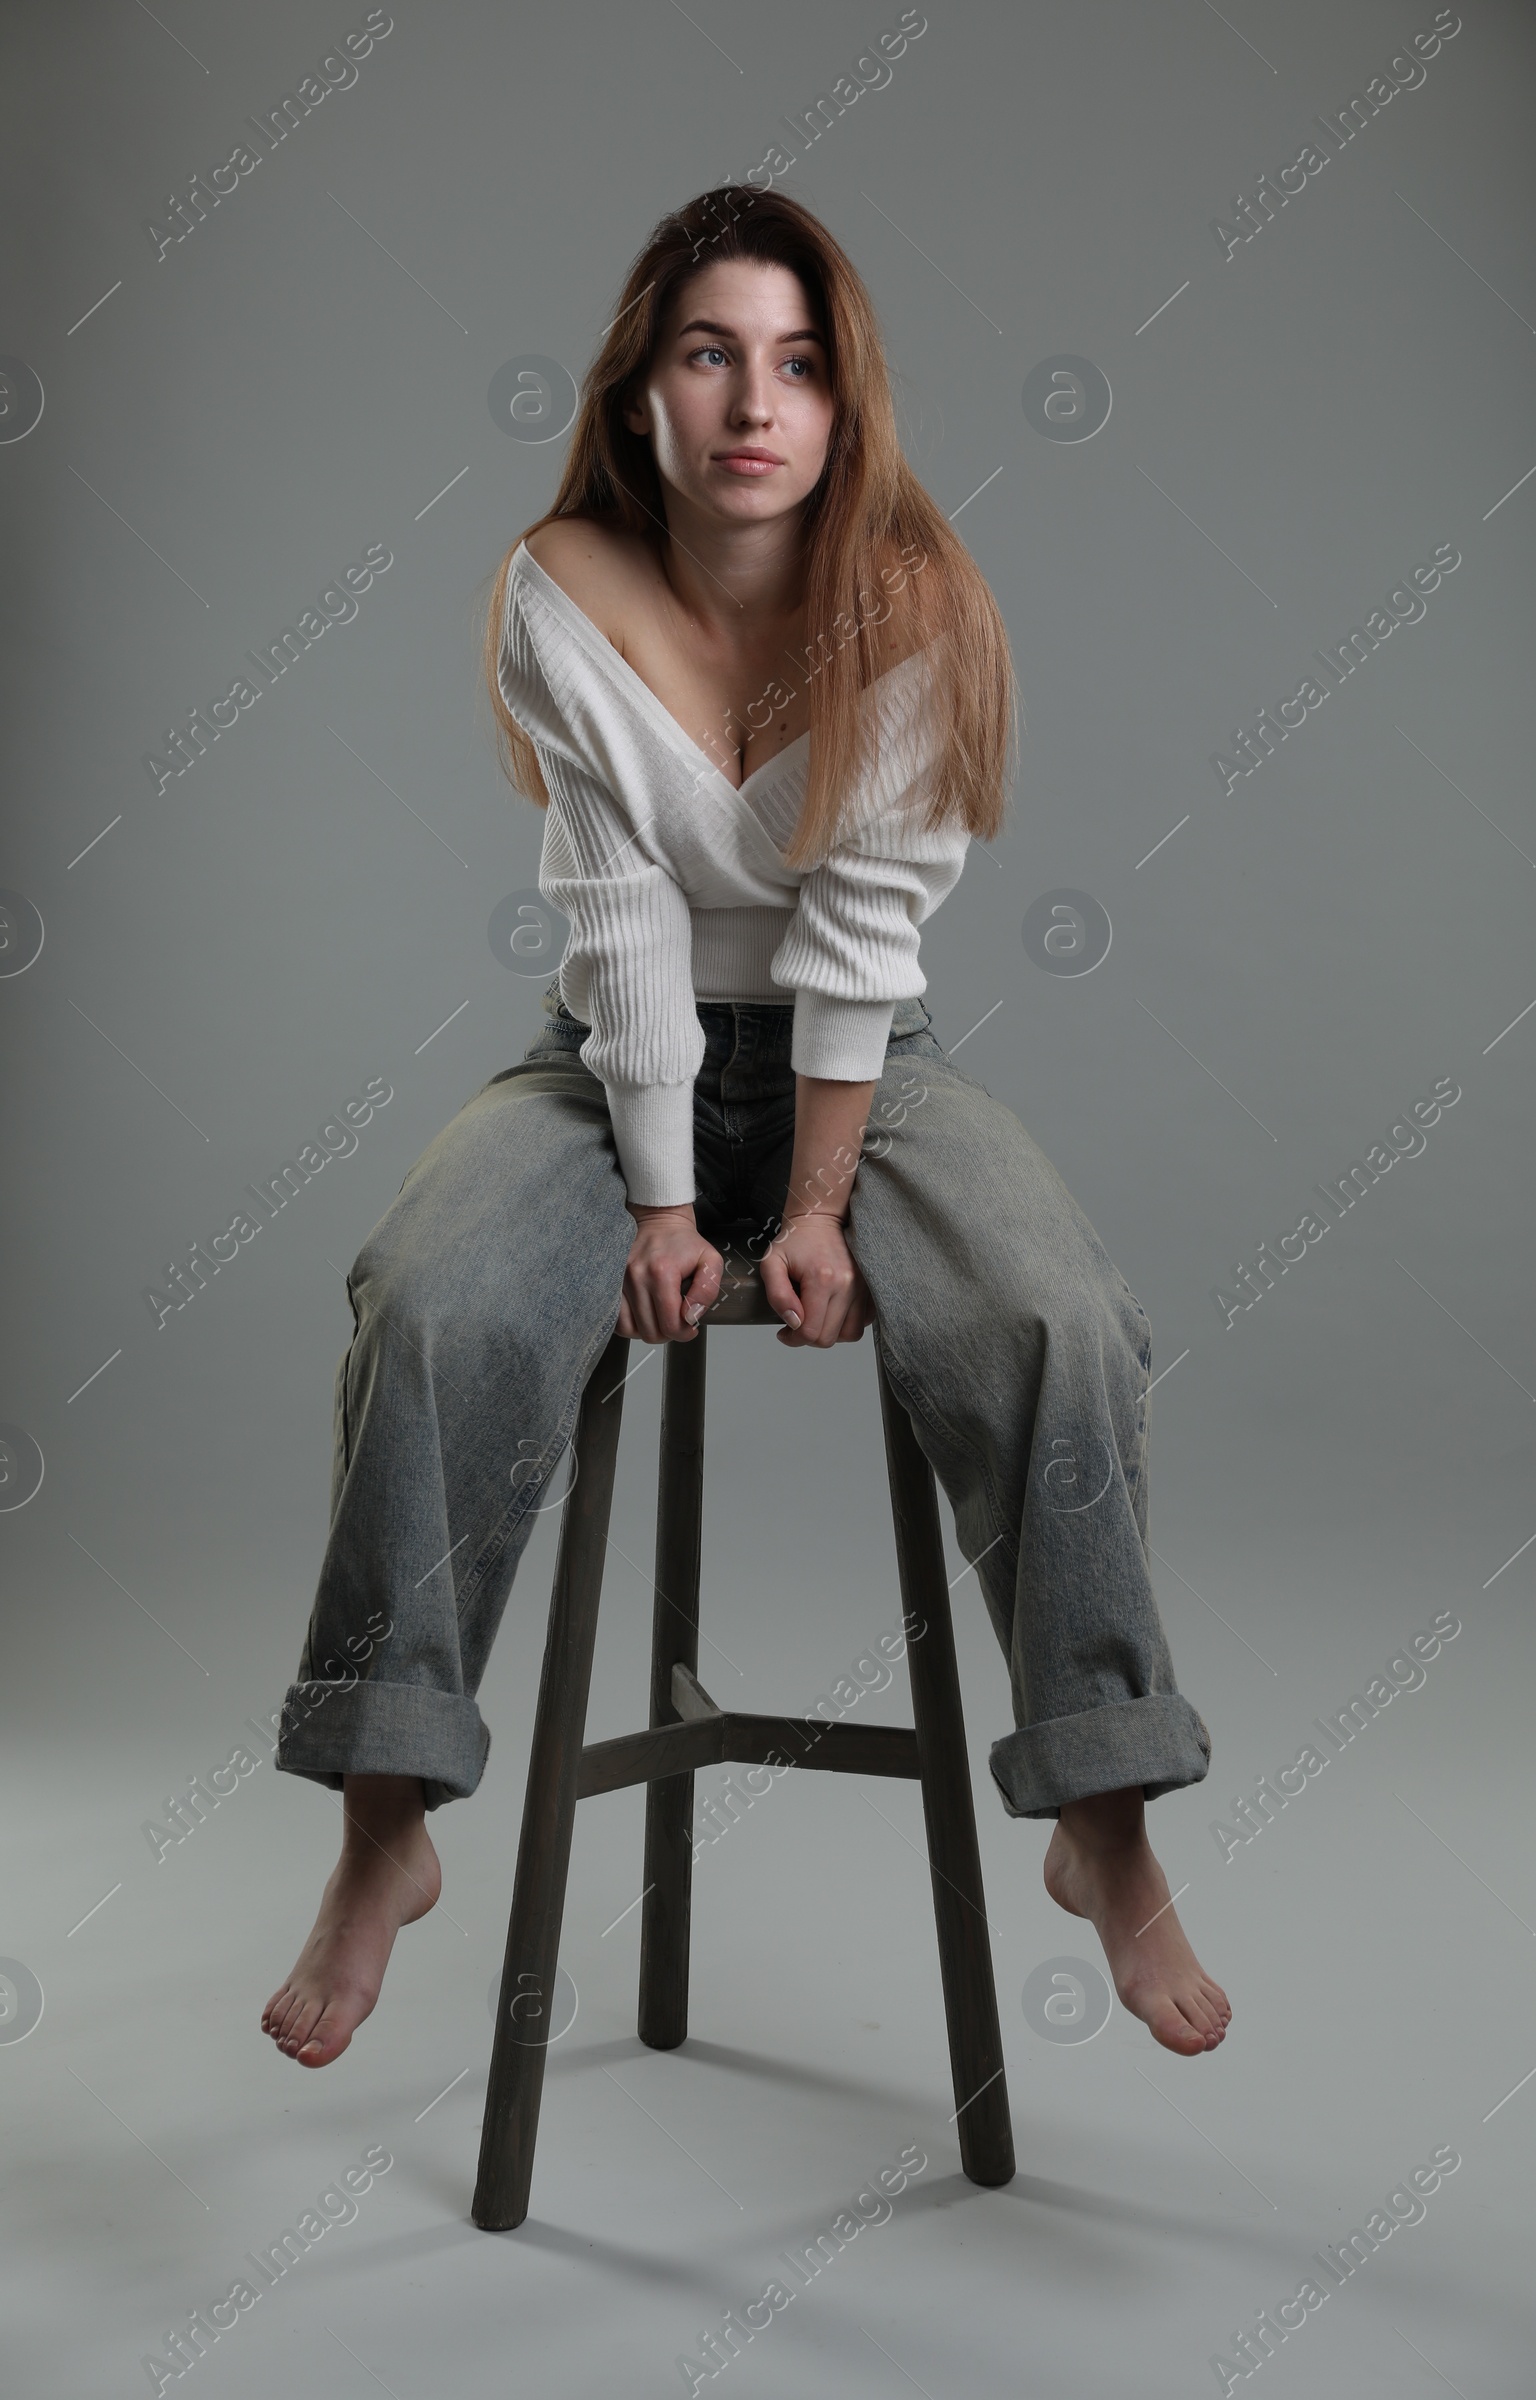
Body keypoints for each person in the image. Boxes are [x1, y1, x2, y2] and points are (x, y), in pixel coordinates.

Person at [261, 184, 1229, 2075]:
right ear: (642, 392)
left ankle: (1104, 1816)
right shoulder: (558, 587)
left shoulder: (915, 603)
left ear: (843, 402)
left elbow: (864, 932)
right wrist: (655, 1191)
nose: (752, 402)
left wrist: (809, 1200)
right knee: (426, 1297)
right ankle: (387, 1815)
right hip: (608, 1057)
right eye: (709, 354)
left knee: (1058, 1314)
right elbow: (616, 919)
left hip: (864, 1059)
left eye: (797, 364)